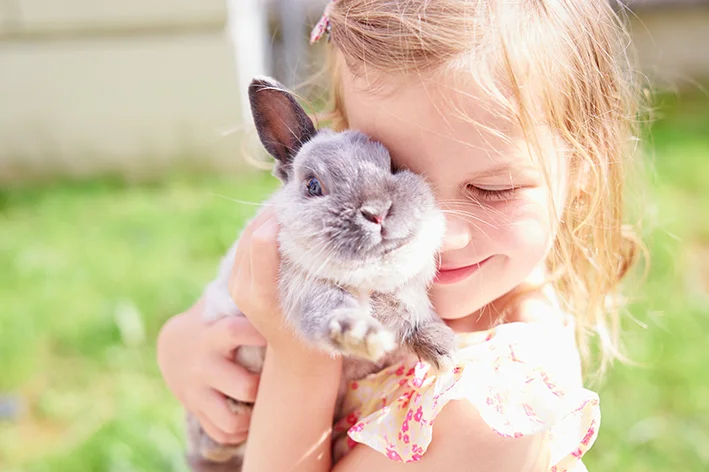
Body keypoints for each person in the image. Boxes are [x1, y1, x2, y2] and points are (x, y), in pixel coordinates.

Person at [157, 0, 644, 470]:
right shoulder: (342, 250)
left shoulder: (496, 412)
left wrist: (299, 355)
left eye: (493, 189)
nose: (444, 234)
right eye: (395, 169)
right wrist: (177, 346)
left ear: (582, 167)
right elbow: (203, 326)